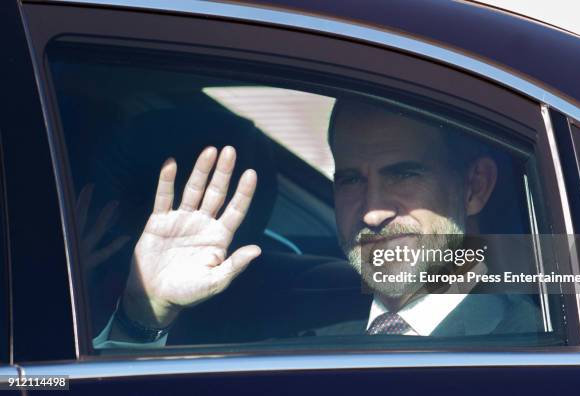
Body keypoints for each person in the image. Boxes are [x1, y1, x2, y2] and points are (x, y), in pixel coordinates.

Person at [94, 99, 541, 348]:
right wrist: (142, 315)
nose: (372, 210)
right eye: (350, 179)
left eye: (404, 173)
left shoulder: (533, 348)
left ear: (474, 187)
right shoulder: (281, 322)